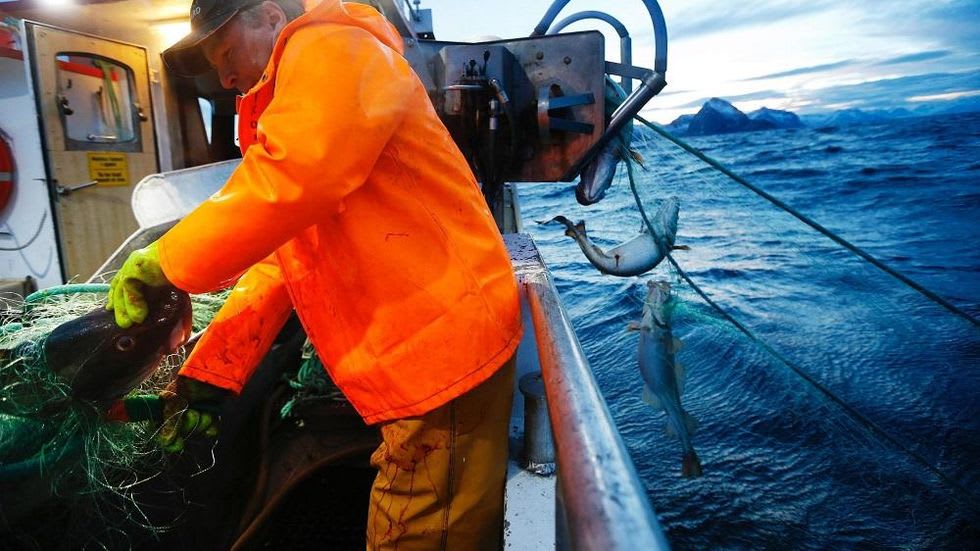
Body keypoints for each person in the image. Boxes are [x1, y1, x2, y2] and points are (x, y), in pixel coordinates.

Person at [108, 0, 522, 548]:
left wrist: (166, 261)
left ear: (271, 18)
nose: (224, 77)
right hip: (423, 351)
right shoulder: (300, 94)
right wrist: (212, 374)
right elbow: (285, 257)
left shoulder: (332, 46)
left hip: (442, 356)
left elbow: (294, 179)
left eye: (227, 53)